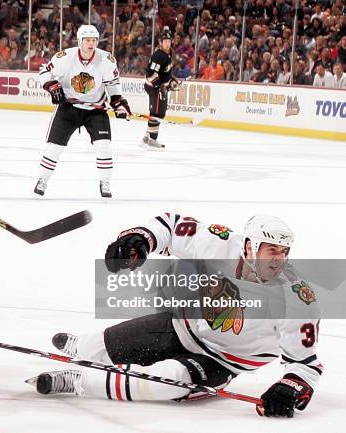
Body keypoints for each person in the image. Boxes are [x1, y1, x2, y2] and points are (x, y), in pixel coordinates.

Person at [30, 213, 322, 419]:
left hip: (220, 362)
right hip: (179, 326)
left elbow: (306, 365)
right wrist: (139, 240)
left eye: (284, 252)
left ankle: (77, 380)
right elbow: (169, 225)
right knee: (92, 348)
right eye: (272, 251)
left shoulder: (296, 299)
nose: (279, 260)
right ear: (249, 246)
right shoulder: (221, 243)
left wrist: (290, 386)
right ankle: (83, 349)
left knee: (160, 381)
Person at [34, 24, 131, 198]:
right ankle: (42, 180)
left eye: (94, 40)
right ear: (79, 41)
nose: (91, 43)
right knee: (54, 147)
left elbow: (113, 83)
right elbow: (43, 72)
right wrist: (52, 86)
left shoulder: (107, 60)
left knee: (104, 146)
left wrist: (118, 102)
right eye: (87, 40)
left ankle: (105, 182)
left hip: (95, 110)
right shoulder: (64, 57)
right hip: (68, 108)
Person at [143, 28, 181, 151]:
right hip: (154, 87)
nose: (167, 43)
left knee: (159, 112)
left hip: (158, 87)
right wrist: (160, 86)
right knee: (157, 113)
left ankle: (147, 137)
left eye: (169, 41)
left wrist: (171, 82)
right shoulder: (159, 55)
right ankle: (152, 139)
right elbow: (150, 73)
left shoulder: (168, 54)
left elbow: (165, 74)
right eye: (165, 41)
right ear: (160, 42)